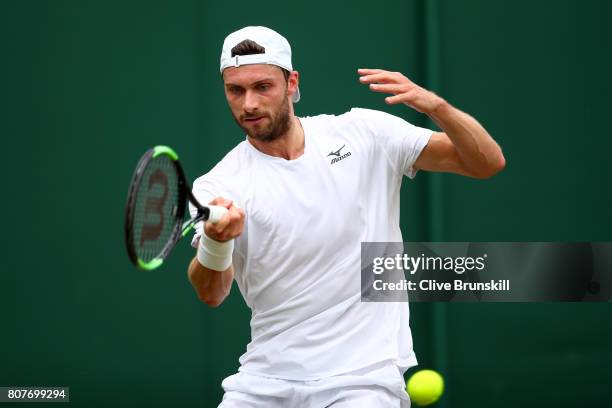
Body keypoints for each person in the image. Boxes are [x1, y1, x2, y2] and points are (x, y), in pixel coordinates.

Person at [187, 26, 505, 407]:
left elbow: (486, 162)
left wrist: (435, 107)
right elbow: (211, 292)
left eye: (262, 87)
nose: (249, 104)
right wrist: (217, 242)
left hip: (362, 381)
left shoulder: (364, 134)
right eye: (235, 90)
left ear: (292, 84)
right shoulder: (217, 187)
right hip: (264, 381)